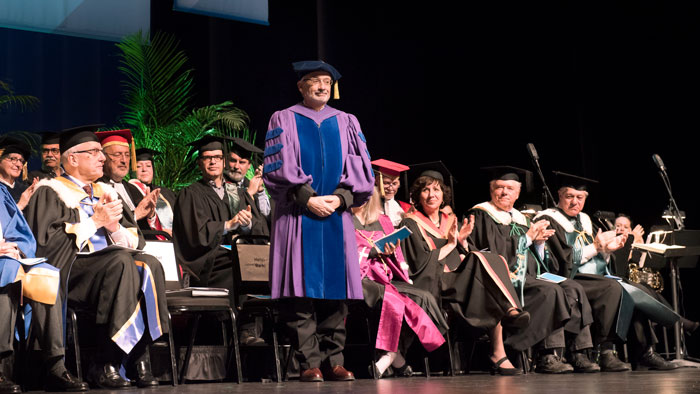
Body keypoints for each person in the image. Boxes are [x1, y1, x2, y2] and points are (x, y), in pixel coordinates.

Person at [23, 125, 170, 389]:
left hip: (111, 269)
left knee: (150, 264)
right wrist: (94, 222)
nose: (103, 158)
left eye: (101, 153)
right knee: (121, 262)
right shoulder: (51, 191)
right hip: (74, 272)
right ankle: (106, 359)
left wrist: (113, 227)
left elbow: (136, 242)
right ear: (73, 158)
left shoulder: (105, 192)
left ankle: (137, 354)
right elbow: (47, 247)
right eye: (94, 152)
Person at [262, 60, 374, 382]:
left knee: (337, 295)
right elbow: (275, 167)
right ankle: (308, 362)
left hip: (336, 216)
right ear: (301, 87)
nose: (322, 86)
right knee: (301, 293)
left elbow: (361, 169)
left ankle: (334, 360)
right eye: (314, 80)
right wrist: (307, 198)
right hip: (298, 214)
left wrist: (340, 198)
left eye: (326, 81)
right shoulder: (283, 118)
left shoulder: (347, 121)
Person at [535, 172, 679, 370]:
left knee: (633, 290)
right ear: (559, 195)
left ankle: (646, 352)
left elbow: (598, 254)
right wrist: (596, 247)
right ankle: (606, 351)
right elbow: (561, 261)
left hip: (593, 277)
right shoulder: (548, 219)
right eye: (569, 196)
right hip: (568, 276)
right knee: (613, 288)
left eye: (580, 197)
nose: (575, 202)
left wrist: (606, 251)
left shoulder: (585, 220)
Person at [399, 169, 531, 375]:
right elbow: (418, 265)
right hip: (436, 282)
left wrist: (462, 243)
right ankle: (509, 314)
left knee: (490, 260)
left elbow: (464, 255)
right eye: (425, 190)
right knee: (483, 263)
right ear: (417, 195)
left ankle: (500, 348)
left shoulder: (451, 220)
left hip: (459, 279)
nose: (431, 195)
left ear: (444, 194)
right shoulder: (410, 223)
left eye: (436, 189)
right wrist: (452, 245)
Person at [469, 167, 599, 373]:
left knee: (572, 288)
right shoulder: (482, 214)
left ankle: (578, 352)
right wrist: (528, 238)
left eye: (510, 188)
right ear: (491, 190)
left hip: (530, 276)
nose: (504, 192)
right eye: (499, 187)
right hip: (503, 280)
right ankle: (547, 355)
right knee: (551, 291)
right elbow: (493, 253)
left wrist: (538, 243)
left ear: (518, 193)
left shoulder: (521, 219)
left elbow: (537, 256)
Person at [0, 183, 88, 393]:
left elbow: (18, 230)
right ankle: (1, 366)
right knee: (8, 275)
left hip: (7, 257)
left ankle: (55, 366)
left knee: (46, 273)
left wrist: (18, 249)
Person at [352, 186, 447, 377]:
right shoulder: (343, 221)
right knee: (393, 301)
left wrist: (391, 249)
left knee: (423, 297)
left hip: (384, 276)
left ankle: (392, 356)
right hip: (358, 279)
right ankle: (393, 358)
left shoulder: (383, 221)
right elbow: (342, 254)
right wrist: (372, 251)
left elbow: (397, 256)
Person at [172, 135, 253, 303]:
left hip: (238, 253)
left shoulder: (236, 192)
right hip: (208, 262)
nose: (213, 162)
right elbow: (195, 235)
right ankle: (234, 324)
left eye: (217, 157)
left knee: (261, 264)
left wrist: (246, 224)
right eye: (207, 158)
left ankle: (253, 322)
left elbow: (257, 226)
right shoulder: (191, 194)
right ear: (199, 163)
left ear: (224, 162)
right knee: (237, 267)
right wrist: (228, 225)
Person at [95, 129, 160, 233]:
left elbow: (149, 227)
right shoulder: (96, 188)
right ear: (103, 157)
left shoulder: (133, 189)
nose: (124, 160)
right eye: (117, 154)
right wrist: (136, 214)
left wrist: (150, 215)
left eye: (127, 155)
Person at [223, 137, 270, 237]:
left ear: (249, 165)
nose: (236, 166)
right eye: (233, 160)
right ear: (226, 161)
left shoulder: (250, 184)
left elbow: (265, 214)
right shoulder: (219, 184)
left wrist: (260, 189)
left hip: (250, 243)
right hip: (226, 243)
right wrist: (249, 193)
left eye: (242, 162)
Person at [128, 148, 177, 238]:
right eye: (139, 166)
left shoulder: (167, 193)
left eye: (148, 166)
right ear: (133, 170)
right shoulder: (129, 192)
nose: (144, 169)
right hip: (149, 241)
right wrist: (160, 231)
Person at [371, 159, 412, 227]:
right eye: (386, 183)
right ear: (377, 181)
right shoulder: (368, 206)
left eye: (394, 183)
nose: (390, 188)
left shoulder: (405, 207)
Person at [0, 137, 36, 209]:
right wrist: (20, 205)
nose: (18, 165)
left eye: (21, 161)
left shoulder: (25, 190)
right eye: (13, 159)